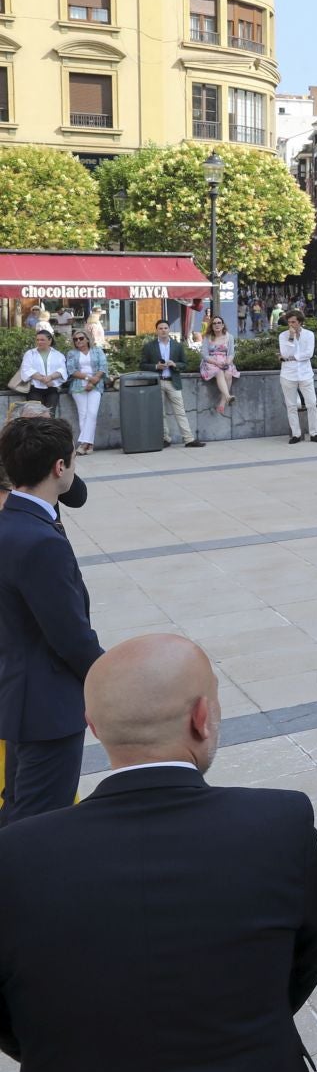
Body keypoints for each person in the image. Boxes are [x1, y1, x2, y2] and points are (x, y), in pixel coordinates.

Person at [0, 633, 317, 1072]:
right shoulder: (278, 824)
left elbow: (11, 1020)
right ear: (203, 717)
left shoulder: (14, 857)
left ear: (92, 727)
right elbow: (301, 962)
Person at [0, 416, 103, 826]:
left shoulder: (13, 522)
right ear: (60, 467)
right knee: (41, 824)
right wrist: (109, 682)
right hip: (48, 707)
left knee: (18, 809)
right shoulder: (40, 540)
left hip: (18, 697)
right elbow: (71, 637)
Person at [141, 319, 203, 448]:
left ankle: (189, 439)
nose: (163, 330)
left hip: (173, 382)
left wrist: (175, 365)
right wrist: (156, 366)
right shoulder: (149, 346)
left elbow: (184, 364)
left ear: (169, 330)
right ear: (156, 330)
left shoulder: (177, 346)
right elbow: (142, 365)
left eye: (165, 328)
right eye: (160, 328)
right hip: (157, 382)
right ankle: (165, 438)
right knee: (160, 412)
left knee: (180, 411)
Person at [278, 310, 317, 444]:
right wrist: (291, 337)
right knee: (291, 405)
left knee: (312, 403)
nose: (291, 324)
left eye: (293, 322)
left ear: (300, 322)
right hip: (288, 375)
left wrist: (292, 358)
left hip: (305, 374)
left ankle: (314, 433)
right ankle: (296, 434)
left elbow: (309, 353)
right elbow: (285, 352)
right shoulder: (283, 335)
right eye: (289, 322)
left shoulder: (309, 335)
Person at [63, 328, 107, 455]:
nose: (78, 341)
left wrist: (93, 382)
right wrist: (88, 378)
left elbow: (103, 367)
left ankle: (83, 443)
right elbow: (71, 370)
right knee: (83, 414)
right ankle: (90, 445)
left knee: (92, 413)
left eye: (81, 338)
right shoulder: (72, 353)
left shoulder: (97, 351)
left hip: (96, 385)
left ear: (88, 339)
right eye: (75, 339)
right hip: (78, 386)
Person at [14, 329, 66, 413]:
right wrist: (44, 380)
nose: (39, 342)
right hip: (35, 389)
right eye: (37, 340)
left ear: (49, 341)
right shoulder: (30, 353)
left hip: (52, 389)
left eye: (42, 340)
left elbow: (62, 370)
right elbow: (27, 369)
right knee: (36, 416)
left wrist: (50, 377)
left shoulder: (58, 355)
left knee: (50, 415)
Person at [199, 315, 239, 416]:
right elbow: (204, 354)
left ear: (222, 325)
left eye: (219, 323)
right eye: (214, 323)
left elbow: (231, 353)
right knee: (219, 372)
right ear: (211, 326)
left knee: (228, 374)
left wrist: (227, 362)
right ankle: (228, 396)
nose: (217, 325)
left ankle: (222, 403)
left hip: (225, 361)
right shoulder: (208, 337)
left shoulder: (229, 337)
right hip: (211, 362)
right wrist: (216, 362)